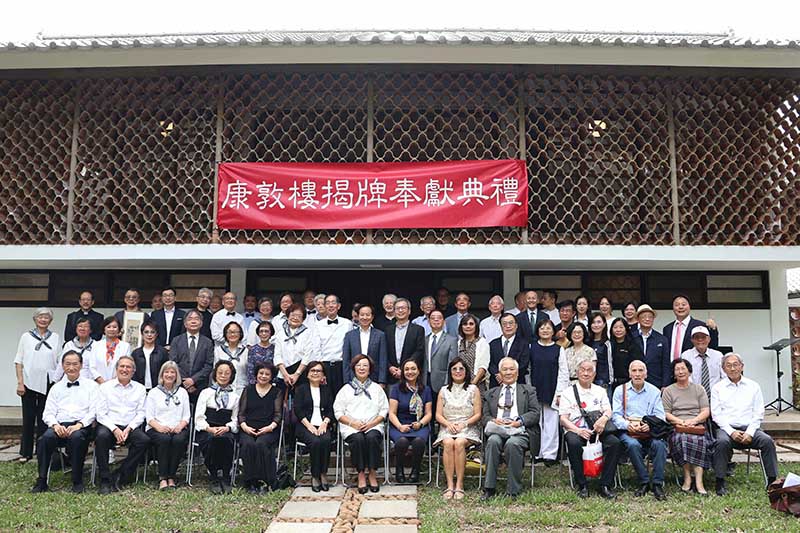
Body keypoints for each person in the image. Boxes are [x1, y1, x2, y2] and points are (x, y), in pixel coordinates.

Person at [711, 353, 778, 495]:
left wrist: (750, 432)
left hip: (750, 428)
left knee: (767, 441)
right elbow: (717, 415)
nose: (733, 368)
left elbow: (758, 412)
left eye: (736, 364)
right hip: (727, 429)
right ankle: (720, 481)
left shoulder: (753, 386)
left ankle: (773, 481)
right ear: (723, 369)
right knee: (721, 442)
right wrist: (731, 432)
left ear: (742, 366)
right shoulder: (717, 388)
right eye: (728, 365)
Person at [31, 351, 97, 493]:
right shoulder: (56, 388)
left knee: (77, 438)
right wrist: (55, 425)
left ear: (81, 365)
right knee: (44, 439)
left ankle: (77, 481)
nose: (71, 367)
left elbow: (94, 411)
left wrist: (79, 425)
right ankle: (42, 480)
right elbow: (47, 413)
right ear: (62, 366)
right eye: (68, 364)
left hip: (80, 425)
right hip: (59, 425)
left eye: (75, 364)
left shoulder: (92, 386)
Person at [481, 357, 540, 501]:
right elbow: (485, 416)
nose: (508, 372)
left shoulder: (528, 390)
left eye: (511, 369)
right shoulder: (491, 393)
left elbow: (535, 413)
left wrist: (519, 422)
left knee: (512, 444)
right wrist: (493, 420)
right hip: (498, 430)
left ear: (517, 373)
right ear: (499, 374)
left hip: (519, 431)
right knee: (493, 441)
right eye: (504, 369)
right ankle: (489, 488)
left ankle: (513, 489)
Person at [560, 360, 620, 499]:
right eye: (582, 370)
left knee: (615, 443)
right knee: (574, 443)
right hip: (576, 429)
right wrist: (578, 430)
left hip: (597, 430)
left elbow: (608, 410)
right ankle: (582, 484)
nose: (586, 373)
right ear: (577, 372)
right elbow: (563, 419)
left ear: (594, 374)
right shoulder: (567, 393)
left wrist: (603, 419)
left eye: (589, 370)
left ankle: (605, 484)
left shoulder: (600, 391)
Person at [612, 360, 668, 501]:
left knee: (660, 445)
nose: (637, 374)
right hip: (628, 430)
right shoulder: (620, 390)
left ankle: (657, 484)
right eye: (634, 371)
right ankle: (644, 481)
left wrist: (650, 425)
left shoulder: (654, 391)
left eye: (640, 370)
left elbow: (660, 415)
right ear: (629, 373)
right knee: (632, 445)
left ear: (646, 373)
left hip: (648, 430)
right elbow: (615, 416)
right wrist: (626, 425)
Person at [94, 355, 151, 494]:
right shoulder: (105, 387)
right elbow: (100, 413)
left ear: (133, 371)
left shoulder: (140, 389)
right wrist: (114, 429)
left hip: (129, 426)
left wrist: (128, 428)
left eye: (128, 367)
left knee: (144, 440)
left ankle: (121, 474)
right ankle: (105, 479)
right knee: (101, 437)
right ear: (116, 369)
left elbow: (141, 413)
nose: (125, 369)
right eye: (122, 366)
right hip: (109, 426)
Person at [334, 354, 389, 494]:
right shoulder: (345, 389)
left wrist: (372, 424)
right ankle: (360, 474)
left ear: (370, 369)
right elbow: (338, 412)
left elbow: (384, 410)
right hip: (351, 427)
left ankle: (372, 472)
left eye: (365, 365)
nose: (362, 368)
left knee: (371, 438)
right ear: (354, 368)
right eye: (358, 365)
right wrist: (353, 423)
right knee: (358, 439)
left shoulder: (377, 389)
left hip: (373, 425)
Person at [14, 307, 60, 463]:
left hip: (48, 382)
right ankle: (25, 452)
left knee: (44, 418)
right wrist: (20, 382)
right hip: (28, 382)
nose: (43, 319)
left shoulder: (55, 337)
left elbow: (59, 361)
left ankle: (42, 450)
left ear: (50, 321)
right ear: (35, 319)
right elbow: (18, 361)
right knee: (28, 418)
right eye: (40, 317)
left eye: (47, 317)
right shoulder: (26, 336)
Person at [434, 357, 482, 500]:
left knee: (459, 442)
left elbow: (478, 414)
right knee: (449, 443)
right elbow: (438, 414)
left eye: (461, 368)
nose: (458, 371)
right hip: (448, 427)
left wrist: (464, 424)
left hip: (467, 427)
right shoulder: (443, 390)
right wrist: (448, 424)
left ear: (466, 372)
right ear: (450, 372)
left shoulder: (473, 389)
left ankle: (459, 485)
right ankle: (450, 485)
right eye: (454, 369)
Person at [662, 358, 712, 495]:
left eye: (683, 368)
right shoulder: (668, 391)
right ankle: (687, 477)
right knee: (682, 439)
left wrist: (694, 421)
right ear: (673, 373)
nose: (680, 372)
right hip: (677, 426)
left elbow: (706, 411)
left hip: (697, 425)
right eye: (677, 369)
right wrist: (680, 421)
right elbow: (665, 413)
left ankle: (699, 481)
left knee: (699, 441)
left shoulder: (699, 389)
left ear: (689, 371)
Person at [195, 360, 241, 494]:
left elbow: (236, 419)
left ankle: (226, 476)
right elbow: (199, 417)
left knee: (226, 440)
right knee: (211, 440)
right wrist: (209, 428)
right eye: (220, 372)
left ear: (231, 375)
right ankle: (214, 476)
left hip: (225, 428)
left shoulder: (235, 396)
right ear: (215, 374)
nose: (223, 375)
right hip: (207, 428)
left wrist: (227, 427)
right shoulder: (205, 393)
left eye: (227, 373)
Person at [145, 360, 190, 490]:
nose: (169, 375)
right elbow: (149, 417)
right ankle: (163, 477)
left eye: (172, 372)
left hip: (177, 428)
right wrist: (160, 427)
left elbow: (186, 416)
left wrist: (179, 427)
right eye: (166, 372)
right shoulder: (154, 392)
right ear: (162, 374)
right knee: (164, 439)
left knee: (179, 440)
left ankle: (172, 476)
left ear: (176, 376)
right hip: (156, 428)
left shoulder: (182, 392)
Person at [238, 362, 283, 494]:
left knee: (261, 444)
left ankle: (266, 481)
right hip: (248, 428)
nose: (263, 376)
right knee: (248, 444)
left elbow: (278, 414)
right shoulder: (248, 389)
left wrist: (270, 427)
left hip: (269, 429)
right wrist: (244, 426)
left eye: (267, 374)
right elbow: (241, 412)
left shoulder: (277, 392)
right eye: (261, 373)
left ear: (272, 376)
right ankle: (251, 481)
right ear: (256, 374)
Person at [389, 359, 432, 483]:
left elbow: (428, 413)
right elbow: (392, 413)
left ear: (419, 371)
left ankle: (415, 471)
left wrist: (421, 423)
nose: (410, 372)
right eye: (407, 369)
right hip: (399, 424)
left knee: (418, 442)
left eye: (413, 369)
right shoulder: (396, 389)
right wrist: (399, 426)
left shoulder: (426, 390)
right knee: (402, 442)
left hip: (419, 425)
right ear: (403, 372)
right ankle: (399, 469)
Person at [294, 361, 335, 492]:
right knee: (315, 441)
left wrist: (325, 422)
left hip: (323, 424)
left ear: (323, 375)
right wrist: (309, 426)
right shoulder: (301, 389)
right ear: (307, 374)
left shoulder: (326, 390)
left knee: (326, 440)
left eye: (318, 371)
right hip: (305, 425)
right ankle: (315, 475)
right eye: (313, 370)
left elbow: (331, 410)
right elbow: (298, 410)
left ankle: (323, 473)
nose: (315, 373)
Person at [529, 319, 562, 464]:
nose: (545, 330)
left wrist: (560, 392)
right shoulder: (532, 347)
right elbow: (528, 370)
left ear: (553, 331)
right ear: (537, 331)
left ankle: (550, 454)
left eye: (548, 328)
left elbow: (563, 372)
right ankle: (538, 453)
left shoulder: (558, 349)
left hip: (552, 388)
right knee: (537, 422)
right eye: (542, 328)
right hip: (535, 388)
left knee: (551, 422)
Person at [169, 309, 215, 404]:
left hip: (200, 386)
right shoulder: (176, 341)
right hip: (179, 385)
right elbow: (173, 362)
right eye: (190, 319)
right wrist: (185, 381)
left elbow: (209, 365)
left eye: (196, 319)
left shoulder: (208, 342)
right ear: (185, 324)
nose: (193, 321)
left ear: (201, 323)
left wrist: (193, 380)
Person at [313, 294, 353, 394]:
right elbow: (316, 348)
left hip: (342, 366)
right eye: (328, 303)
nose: (331, 305)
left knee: (342, 395)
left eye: (333, 303)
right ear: (325, 306)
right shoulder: (318, 325)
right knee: (325, 397)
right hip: (325, 365)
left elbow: (350, 347)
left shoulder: (347, 323)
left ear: (338, 306)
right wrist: (320, 371)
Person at [663, 294, 720, 360]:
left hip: (693, 367)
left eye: (683, 304)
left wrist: (713, 329)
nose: (680, 307)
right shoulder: (667, 329)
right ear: (673, 308)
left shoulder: (700, 326)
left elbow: (712, 346)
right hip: (671, 367)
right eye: (677, 305)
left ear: (689, 306)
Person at [422, 309, 457, 415]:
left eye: (439, 318)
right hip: (425, 379)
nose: (436, 320)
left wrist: (448, 382)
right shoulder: (425, 339)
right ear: (428, 321)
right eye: (433, 318)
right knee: (427, 410)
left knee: (442, 411)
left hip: (442, 380)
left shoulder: (451, 340)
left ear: (443, 321)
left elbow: (452, 363)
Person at [343, 304, 388, 384]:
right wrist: (346, 380)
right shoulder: (349, 335)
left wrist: (382, 381)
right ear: (358, 316)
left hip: (374, 378)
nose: (364, 317)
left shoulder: (380, 335)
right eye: (362, 315)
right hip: (353, 378)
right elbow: (346, 360)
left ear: (372, 317)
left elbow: (383, 360)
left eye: (367, 315)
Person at [273, 303, 316, 388]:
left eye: (299, 316)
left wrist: (297, 374)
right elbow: (277, 355)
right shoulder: (281, 334)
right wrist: (285, 375)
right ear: (288, 316)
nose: (295, 318)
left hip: (301, 373)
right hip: (283, 374)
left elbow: (307, 355)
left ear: (303, 319)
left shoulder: (308, 333)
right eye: (293, 315)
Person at [385, 298, 425, 384]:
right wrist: (390, 367)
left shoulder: (418, 330)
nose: (400, 310)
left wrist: (405, 368)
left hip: (412, 376)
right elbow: (384, 351)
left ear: (409, 311)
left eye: (403, 308)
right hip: (392, 375)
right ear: (394, 312)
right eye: (397, 308)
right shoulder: (388, 330)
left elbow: (419, 351)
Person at [632, 304, 671, 389]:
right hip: (635, 383)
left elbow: (666, 364)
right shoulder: (631, 338)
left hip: (656, 382)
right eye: (644, 316)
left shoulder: (662, 339)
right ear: (638, 319)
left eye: (650, 317)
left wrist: (665, 385)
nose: (647, 319)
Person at [488, 312, 530, 388]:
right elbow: (490, 363)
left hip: (517, 383)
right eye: (504, 324)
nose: (508, 326)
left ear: (516, 326)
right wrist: (498, 374)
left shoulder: (523, 343)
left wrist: (508, 375)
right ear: (500, 326)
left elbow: (524, 364)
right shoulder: (493, 344)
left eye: (511, 323)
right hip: (496, 383)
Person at [681, 326, 724, 399]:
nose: (700, 340)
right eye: (697, 337)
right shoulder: (686, 355)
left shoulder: (718, 356)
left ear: (709, 339)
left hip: (716, 397)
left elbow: (724, 377)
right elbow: (686, 378)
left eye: (703, 337)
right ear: (692, 340)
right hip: (693, 396)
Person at [88, 316, 132, 384]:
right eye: (108, 327)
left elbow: (125, 366)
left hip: (118, 384)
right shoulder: (96, 345)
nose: (111, 329)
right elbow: (92, 367)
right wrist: (102, 382)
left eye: (114, 327)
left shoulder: (125, 346)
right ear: (104, 330)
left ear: (119, 329)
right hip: (98, 384)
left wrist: (112, 383)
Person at [556, 322, 597, 394]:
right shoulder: (566, 351)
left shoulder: (590, 351)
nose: (577, 334)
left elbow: (592, 373)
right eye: (574, 332)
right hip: (567, 387)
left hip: (584, 386)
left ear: (584, 334)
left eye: (579, 332)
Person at [609, 318, 644, 394]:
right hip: (612, 384)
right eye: (615, 327)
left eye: (621, 327)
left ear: (626, 329)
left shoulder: (633, 345)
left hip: (630, 383)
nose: (618, 330)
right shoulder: (609, 345)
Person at [456, 314, 490, 391]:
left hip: (477, 384)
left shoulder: (482, 342)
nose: (468, 326)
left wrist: (473, 383)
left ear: (476, 326)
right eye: (465, 324)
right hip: (460, 384)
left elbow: (483, 366)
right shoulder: (458, 343)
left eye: (471, 324)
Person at [131, 322, 168, 391]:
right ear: (142, 334)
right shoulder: (136, 353)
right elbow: (133, 373)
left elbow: (166, 371)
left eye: (152, 332)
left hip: (159, 389)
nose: (149, 335)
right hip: (139, 389)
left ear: (156, 334)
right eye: (146, 332)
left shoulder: (162, 352)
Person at [214, 322, 248, 393]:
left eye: (235, 332)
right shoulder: (218, 350)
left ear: (240, 334)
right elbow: (215, 371)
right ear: (225, 334)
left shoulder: (246, 351)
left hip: (242, 389)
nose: (232, 334)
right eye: (230, 332)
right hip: (223, 390)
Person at [58, 316, 94, 381]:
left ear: (90, 330)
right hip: (69, 379)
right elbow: (61, 364)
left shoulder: (96, 345)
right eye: (80, 326)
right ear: (76, 329)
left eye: (86, 326)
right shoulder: (69, 345)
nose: (82, 329)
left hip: (88, 381)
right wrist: (55, 380)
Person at [588, 313, 613, 390]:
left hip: (602, 382)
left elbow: (610, 364)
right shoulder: (587, 342)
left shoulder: (607, 343)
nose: (596, 325)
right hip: (587, 381)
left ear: (604, 324)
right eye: (593, 322)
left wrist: (609, 381)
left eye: (599, 322)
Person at [247, 320, 276, 385]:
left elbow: (276, 368)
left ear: (271, 333)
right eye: (261, 331)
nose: (263, 334)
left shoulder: (275, 349)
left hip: (272, 385)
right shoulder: (252, 350)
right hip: (256, 385)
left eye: (266, 331)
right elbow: (250, 370)